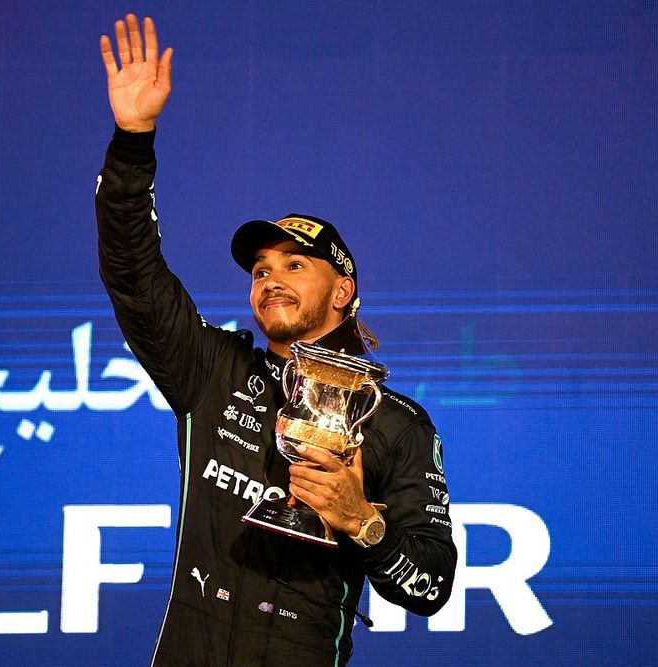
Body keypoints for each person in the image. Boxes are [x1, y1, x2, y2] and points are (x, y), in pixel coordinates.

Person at [96, 13, 456, 666]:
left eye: (295, 264)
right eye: (261, 269)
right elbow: (133, 272)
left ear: (343, 289)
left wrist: (363, 523)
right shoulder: (212, 367)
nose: (270, 279)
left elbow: (430, 584)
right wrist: (133, 139)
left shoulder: (397, 424)